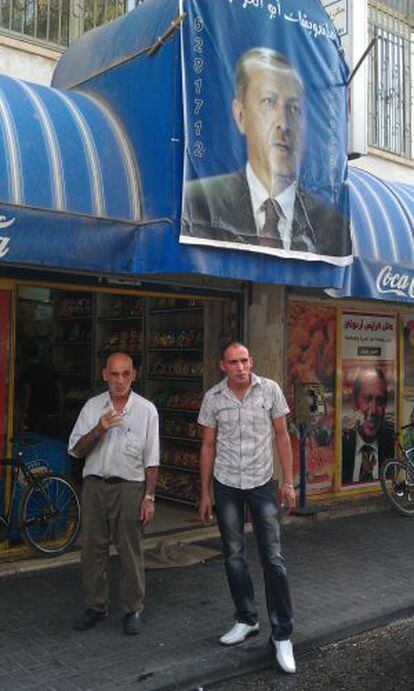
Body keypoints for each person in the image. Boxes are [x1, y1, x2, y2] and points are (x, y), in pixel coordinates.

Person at [182, 47, 351, 262]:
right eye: (269, 103)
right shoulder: (198, 203)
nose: (284, 123)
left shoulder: (334, 226)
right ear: (240, 115)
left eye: (294, 108)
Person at [198, 341, 296, 674]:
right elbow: (208, 444)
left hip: (262, 485)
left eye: (245, 361)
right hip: (226, 485)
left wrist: (288, 482)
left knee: (273, 558)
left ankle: (282, 634)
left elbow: (282, 436)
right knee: (234, 555)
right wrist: (204, 492)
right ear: (222, 366)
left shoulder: (270, 390)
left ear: (251, 361)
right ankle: (246, 618)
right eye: (233, 362)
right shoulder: (213, 397)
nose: (241, 367)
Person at [68, 352, 159, 635]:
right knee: (92, 550)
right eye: (115, 374)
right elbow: (76, 451)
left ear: (134, 375)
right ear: (104, 374)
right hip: (95, 485)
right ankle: (96, 606)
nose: (120, 380)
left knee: (129, 551)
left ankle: (133, 609)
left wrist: (149, 498)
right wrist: (99, 429)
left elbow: (151, 459)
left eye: (126, 374)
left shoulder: (146, 410)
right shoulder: (92, 407)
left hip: (129, 488)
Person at [342, 367, 394, 485]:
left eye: (380, 401)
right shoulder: (342, 444)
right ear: (355, 403)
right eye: (367, 399)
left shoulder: (391, 444)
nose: (373, 410)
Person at [19, 340, 65, 437]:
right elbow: (60, 392)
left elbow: (27, 395)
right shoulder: (50, 369)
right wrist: (60, 414)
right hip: (52, 415)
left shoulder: (27, 373)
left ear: (25, 354)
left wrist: (23, 417)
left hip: (35, 417)